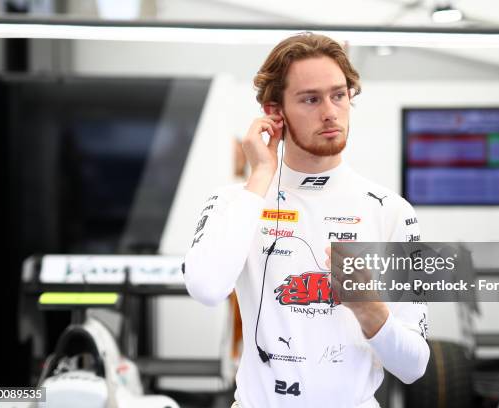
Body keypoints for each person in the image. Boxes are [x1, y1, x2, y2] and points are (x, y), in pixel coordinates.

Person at [183, 32, 429, 408]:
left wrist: (370, 309)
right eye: (311, 99)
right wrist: (262, 174)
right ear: (274, 112)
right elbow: (205, 287)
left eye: (339, 95)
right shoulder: (236, 201)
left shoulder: (390, 210)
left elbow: (414, 365)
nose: (330, 111)